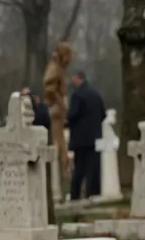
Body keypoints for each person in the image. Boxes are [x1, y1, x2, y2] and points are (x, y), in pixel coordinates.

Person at [66, 71, 106, 200]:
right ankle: (93, 192)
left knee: (79, 169)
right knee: (94, 168)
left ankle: (75, 195)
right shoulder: (96, 94)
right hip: (95, 137)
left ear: (78, 78)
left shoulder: (77, 95)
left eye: (73, 79)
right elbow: (103, 114)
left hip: (80, 138)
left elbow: (72, 115)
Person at [42, 42, 73, 193]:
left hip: (59, 112)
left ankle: (62, 178)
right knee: (57, 145)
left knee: (61, 145)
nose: (69, 61)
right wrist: (61, 103)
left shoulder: (59, 68)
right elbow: (50, 87)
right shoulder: (54, 68)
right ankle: (58, 181)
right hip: (55, 111)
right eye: (68, 57)